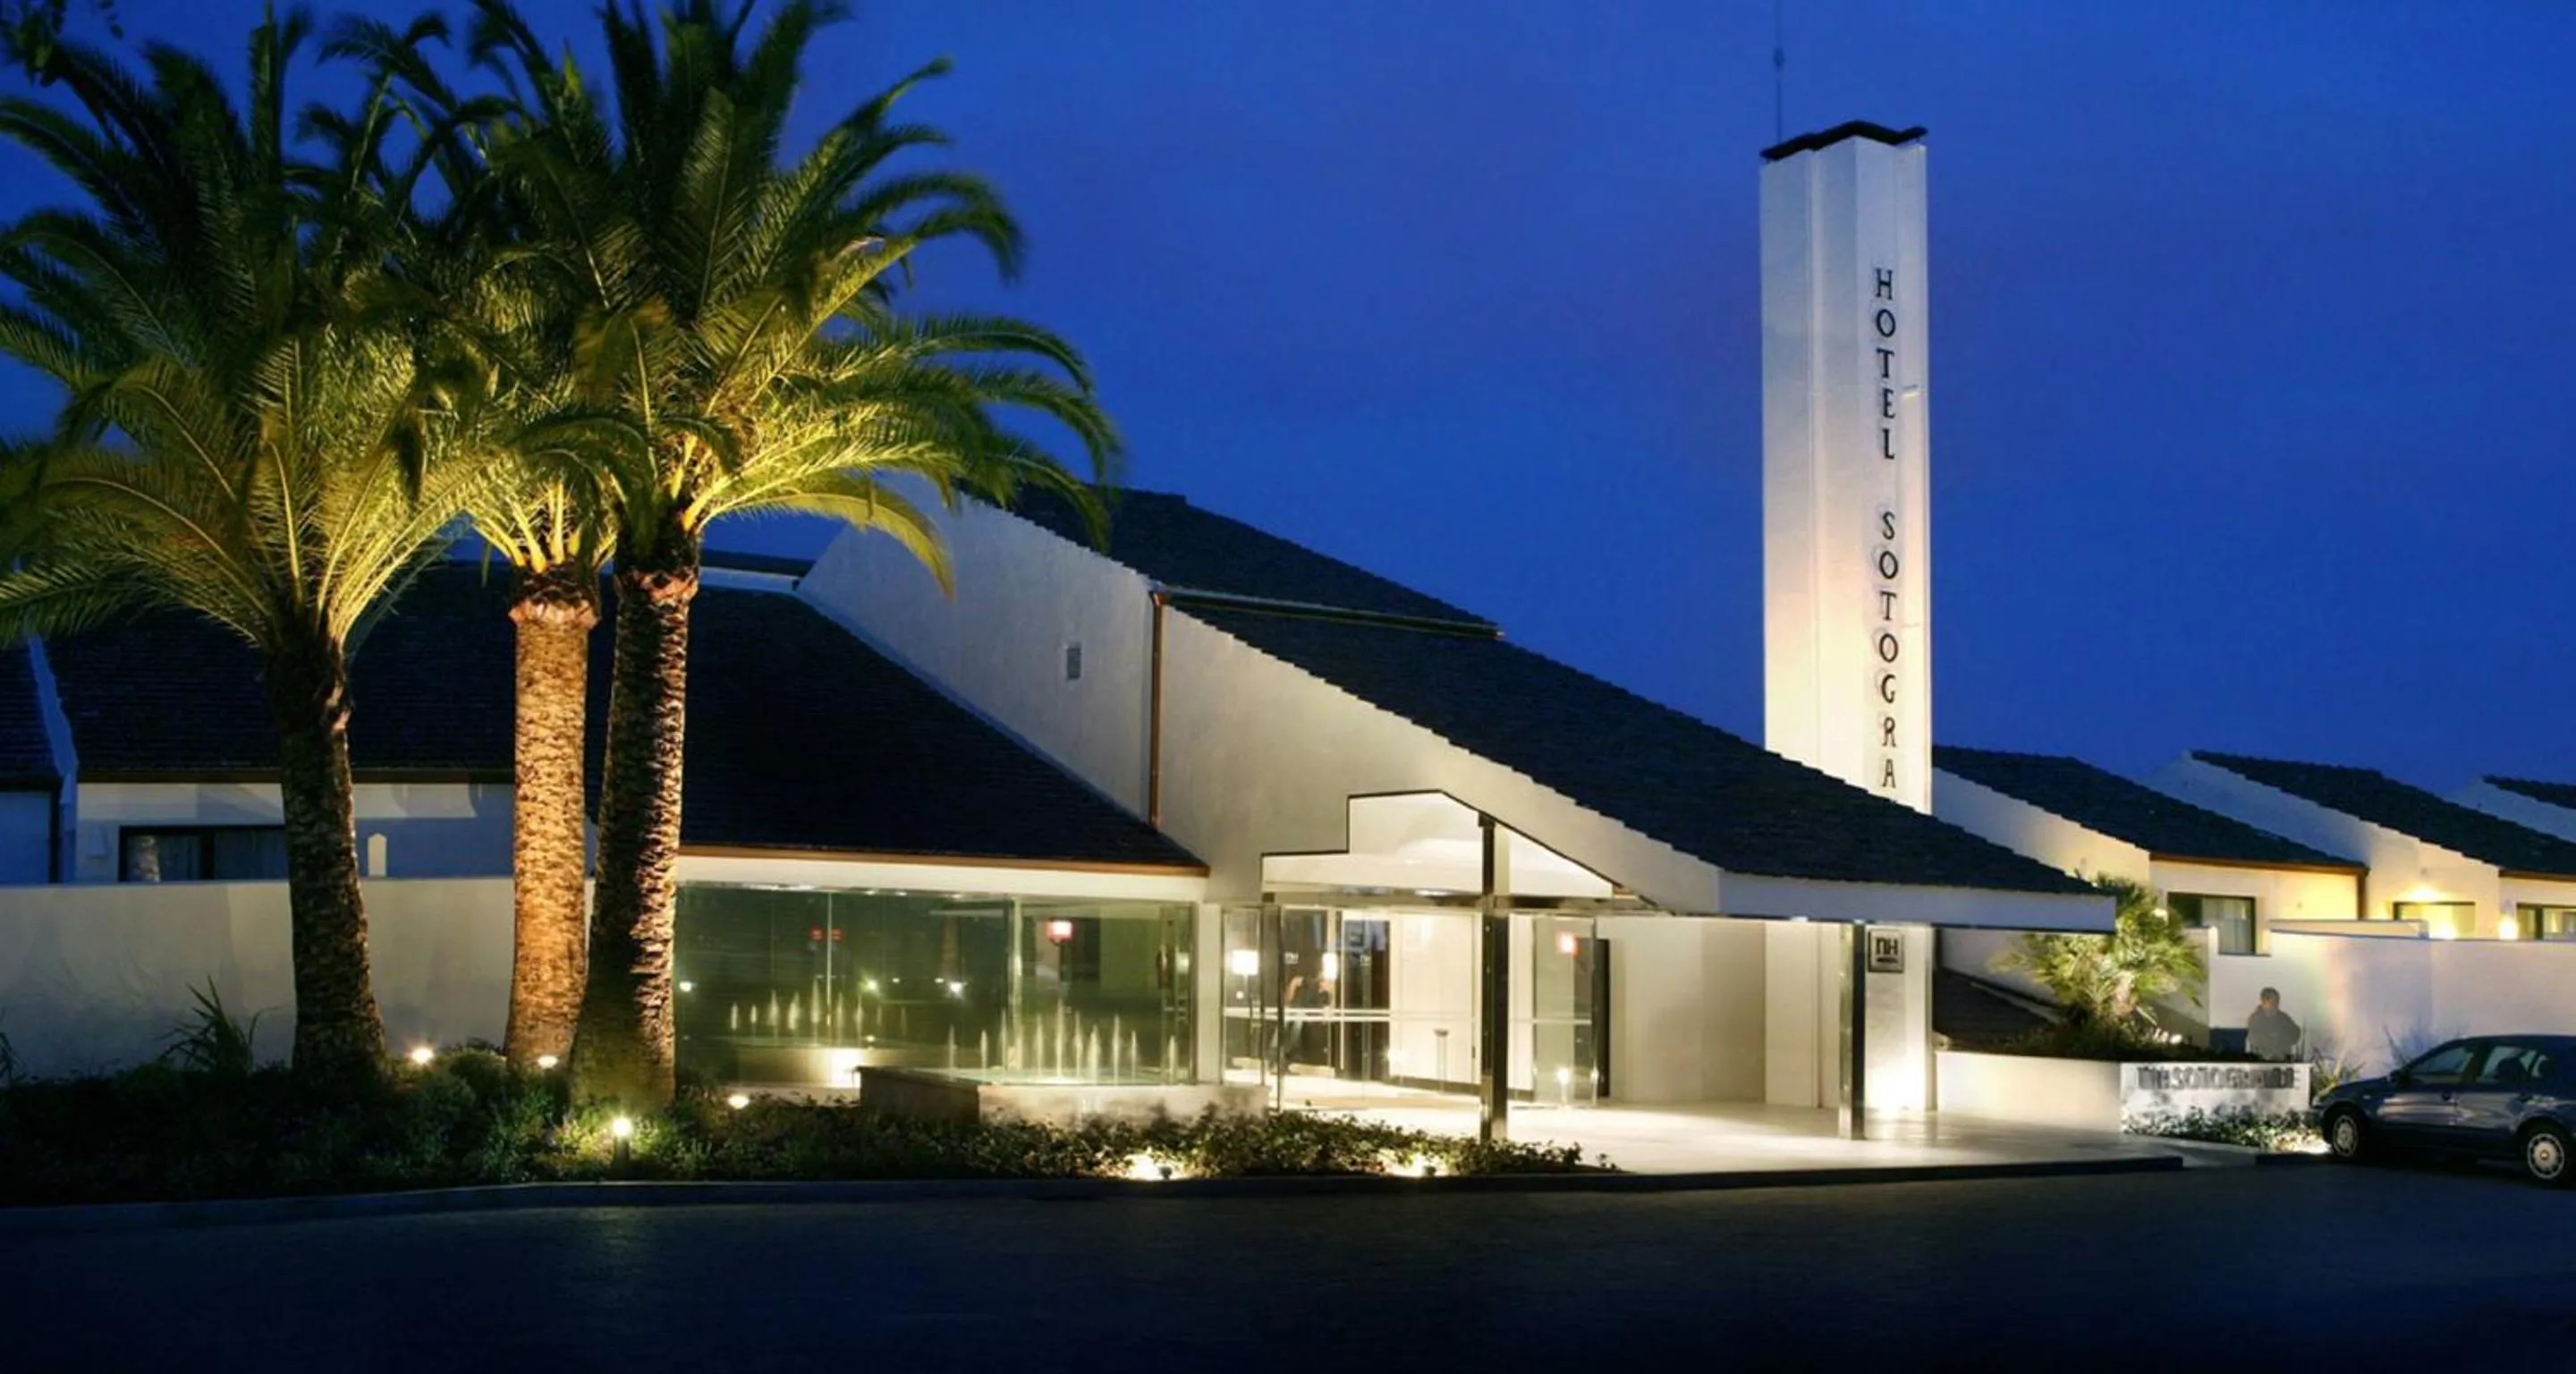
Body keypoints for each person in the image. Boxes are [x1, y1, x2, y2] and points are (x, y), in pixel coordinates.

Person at [2246, 987, 2301, 1061]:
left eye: (2277, 1002)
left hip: (2283, 1059)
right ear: (2263, 1002)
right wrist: (2274, 1051)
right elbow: (2257, 1039)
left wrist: (2282, 1045)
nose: (2276, 1005)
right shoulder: (2254, 1019)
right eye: (2273, 1002)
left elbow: (2295, 1033)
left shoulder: (2284, 1017)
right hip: (2261, 1061)